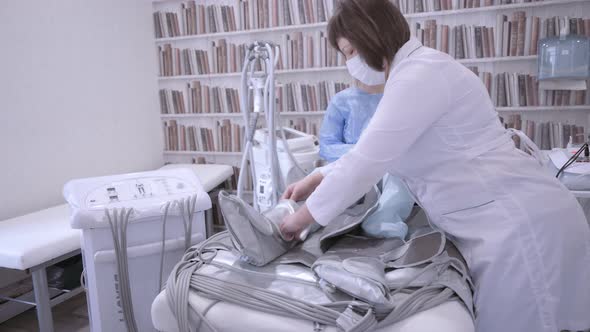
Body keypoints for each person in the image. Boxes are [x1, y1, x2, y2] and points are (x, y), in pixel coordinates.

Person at [279, 1, 590, 331]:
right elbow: (380, 152)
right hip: (500, 222)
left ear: (373, 37)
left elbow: (366, 161)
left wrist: (295, 222)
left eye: (350, 51)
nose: (349, 64)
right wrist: (318, 175)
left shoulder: (421, 74)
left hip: (520, 227)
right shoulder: (412, 75)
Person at [320, 75, 413, 239]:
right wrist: (364, 152)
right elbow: (327, 146)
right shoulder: (341, 101)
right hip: (349, 170)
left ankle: (384, 223)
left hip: (388, 172)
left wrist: (377, 153)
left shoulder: (397, 99)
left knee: (400, 168)